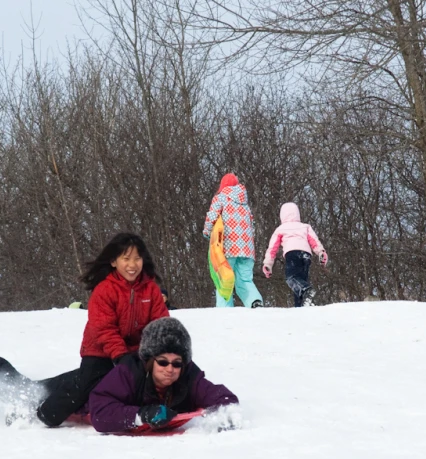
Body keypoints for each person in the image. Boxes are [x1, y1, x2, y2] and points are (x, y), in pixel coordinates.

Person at [0, 232, 170, 426]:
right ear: (114, 262)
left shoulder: (149, 290)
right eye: (126, 259)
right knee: (40, 400)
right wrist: (121, 357)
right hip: (99, 356)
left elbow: (161, 326)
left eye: (138, 258)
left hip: (128, 359)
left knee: (42, 388)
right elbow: (104, 329)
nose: (133, 265)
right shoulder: (105, 291)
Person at [89, 317, 239, 433]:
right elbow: (99, 411)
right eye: (162, 362)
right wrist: (141, 415)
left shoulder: (189, 376)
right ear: (150, 360)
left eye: (177, 364)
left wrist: (224, 416)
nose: (170, 369)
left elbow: (224, 397)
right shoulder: (128, 372)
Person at [202, 173, 263, 308]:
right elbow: (252, 225)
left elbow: (212, 216)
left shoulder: (220, 198)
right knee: (245, 279)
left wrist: (207, 232)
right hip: (247, 249)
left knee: (224, 279)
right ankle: (254, 301)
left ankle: (225, 308)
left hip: (228, 247)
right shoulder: (245, 203)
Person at [261, 202, 328, 307]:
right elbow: (314, 241)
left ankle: (307, 290)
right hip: (306, 255)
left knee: (291, 278)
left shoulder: (280, 229)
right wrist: (321, 252)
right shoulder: (305, 226)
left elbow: (272, 248)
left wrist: (268, 264)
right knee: (300, 280)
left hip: (292, 253)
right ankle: (301, 305)